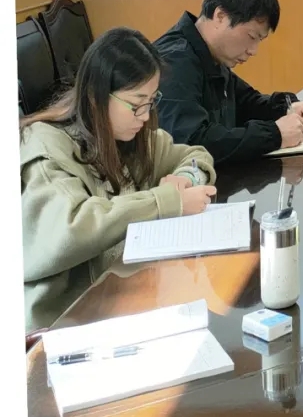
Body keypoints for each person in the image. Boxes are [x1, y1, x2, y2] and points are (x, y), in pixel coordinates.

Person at [20, 28, 218, 332]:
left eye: (151, 101)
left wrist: (185, 178)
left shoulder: (127, 136)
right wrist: (167, 201)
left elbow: (195, 155)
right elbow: (73, 227)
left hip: (123, 298)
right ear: (95, 96)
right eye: (136, 104)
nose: (145, 116)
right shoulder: (45, 148)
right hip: (63, 324)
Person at [155, 0, 303, 166]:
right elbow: (192, 143)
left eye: (259, 40)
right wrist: (274, 135)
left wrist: (287, 107)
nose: (253, 51)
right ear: (220, 16)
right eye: (251, 36)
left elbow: (247, 103)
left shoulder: (211, 54)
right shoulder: (174, 61)